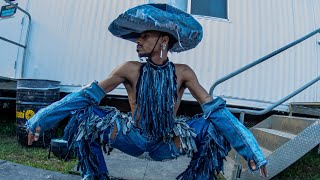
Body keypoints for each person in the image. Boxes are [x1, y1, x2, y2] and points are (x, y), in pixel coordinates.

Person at [26, 3, 268, 180]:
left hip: (167, 141)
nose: (138, 41)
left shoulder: (184, 72)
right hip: (133, 137)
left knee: (214, 127)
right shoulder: (129, 69)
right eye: (138, 37)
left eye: (145, 36)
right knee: (85, 116)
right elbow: (85, 96)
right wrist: (40, 119)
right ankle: (96, 176)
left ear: (163, 40)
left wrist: (251, 151)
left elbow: (216, 110)